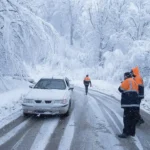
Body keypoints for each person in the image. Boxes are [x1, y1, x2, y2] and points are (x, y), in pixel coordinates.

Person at [118, 72, 140, 138]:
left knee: (126, 118)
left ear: (126, 76)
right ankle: (131, 132)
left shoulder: (127, 81)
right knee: (132, 118)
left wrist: (122, 83)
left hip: (128, 104)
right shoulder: (135, 82)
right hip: (135, 104)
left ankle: (125, 133)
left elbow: (120, 89)